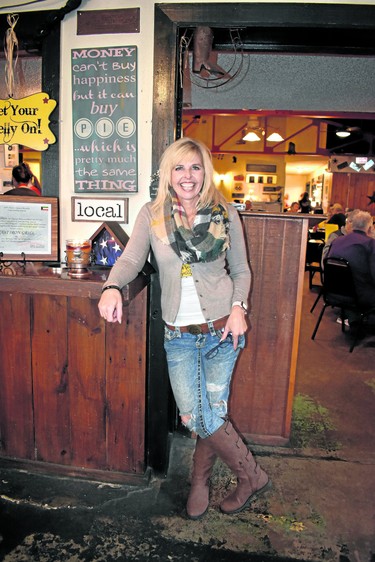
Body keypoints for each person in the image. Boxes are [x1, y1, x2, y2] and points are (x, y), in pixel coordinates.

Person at [98, 137, 270, 519]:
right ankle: (252, 476)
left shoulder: (225, 211)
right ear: (168, 174)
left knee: (212, 413)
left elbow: (241, 270)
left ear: (205, 171)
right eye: (179, 168)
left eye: (195, 167)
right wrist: (111, 286)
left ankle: (200, 483)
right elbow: (129, 260)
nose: (187, 176)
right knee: (198, 415)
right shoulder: (152, 214)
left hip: (225, 329)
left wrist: (239, 307)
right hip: (179, 335)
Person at [327, 210, 375, 323]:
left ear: (352, 225)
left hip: (333, 292)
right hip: (359, 296)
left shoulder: (337, 240)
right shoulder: (370, 244)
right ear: (369, 228)